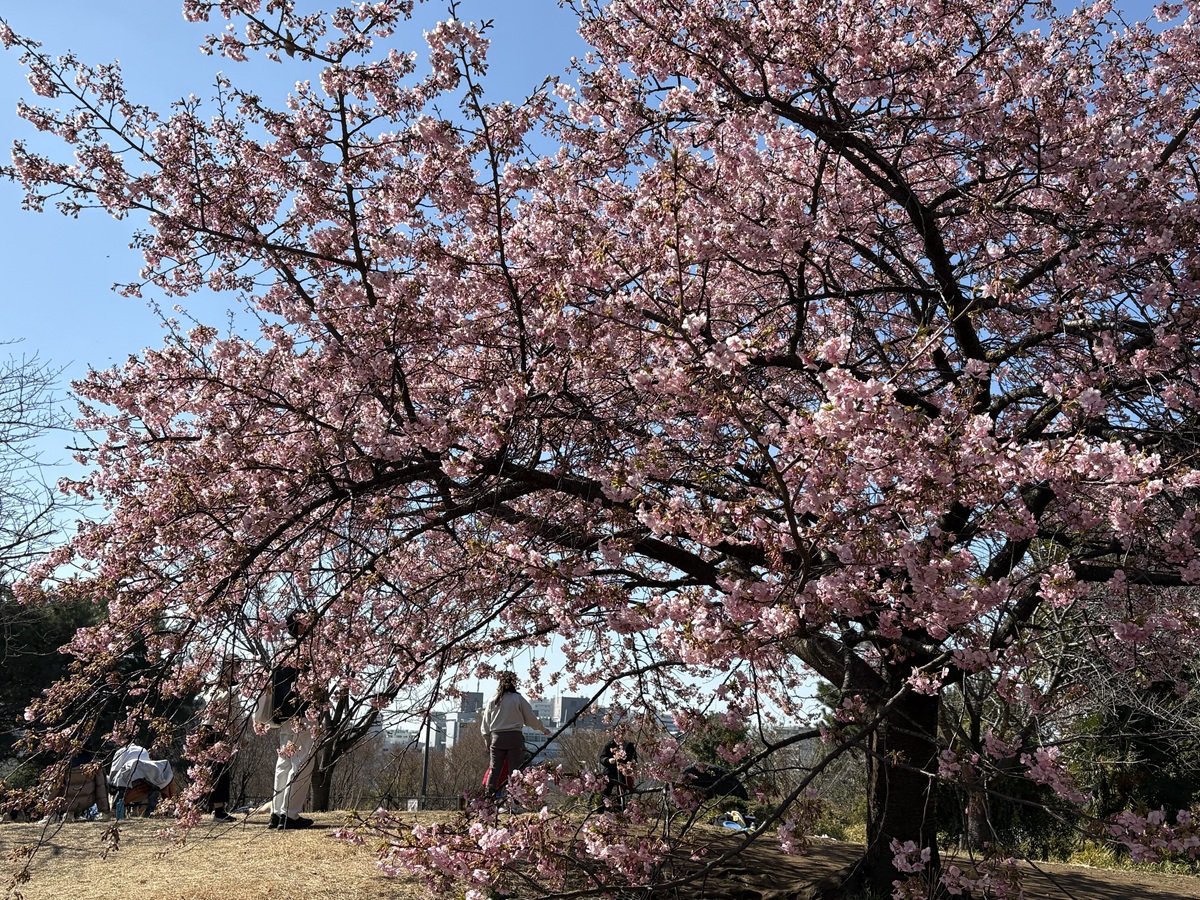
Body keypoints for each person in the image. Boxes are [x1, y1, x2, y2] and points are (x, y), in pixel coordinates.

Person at [268, 611, 316, 830]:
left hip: (283, 712)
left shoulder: (280, 650)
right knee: (302, 760)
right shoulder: (303, 650)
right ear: (298, 626)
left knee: (284, 762)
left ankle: (277, 813)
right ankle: (290, 813)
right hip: (302, 711)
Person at [479, 671, 550, 797]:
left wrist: (487, 740)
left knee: (494, 770)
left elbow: (485, 723)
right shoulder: (518, 699)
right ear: (514, 683)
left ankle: (488, 797)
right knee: (515, 771)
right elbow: (530, 719)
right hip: (514, 737)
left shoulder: (493, 699)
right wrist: (542, 729)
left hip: (497, 738)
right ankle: (514, 798)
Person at [195, 658, 245, 822]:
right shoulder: (220, 687)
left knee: (218, 771)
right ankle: (217, 811)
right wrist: (240, 734)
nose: (237, 670)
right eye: (235, 667)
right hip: (213, 730)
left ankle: (217, 809)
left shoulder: (222, 686)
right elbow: (227, 709)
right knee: (217, 771)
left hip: (215, 729)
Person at [599, 737, 637, 809]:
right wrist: (608, 760)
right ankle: (600, 810)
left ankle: (622, 810)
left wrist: (630, 765)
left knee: (623, 793)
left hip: (624, 773)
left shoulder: (629, 745)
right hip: (610, 773)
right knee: (605, 793)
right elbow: (602, 758)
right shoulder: (609, 745)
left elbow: (634, 759)